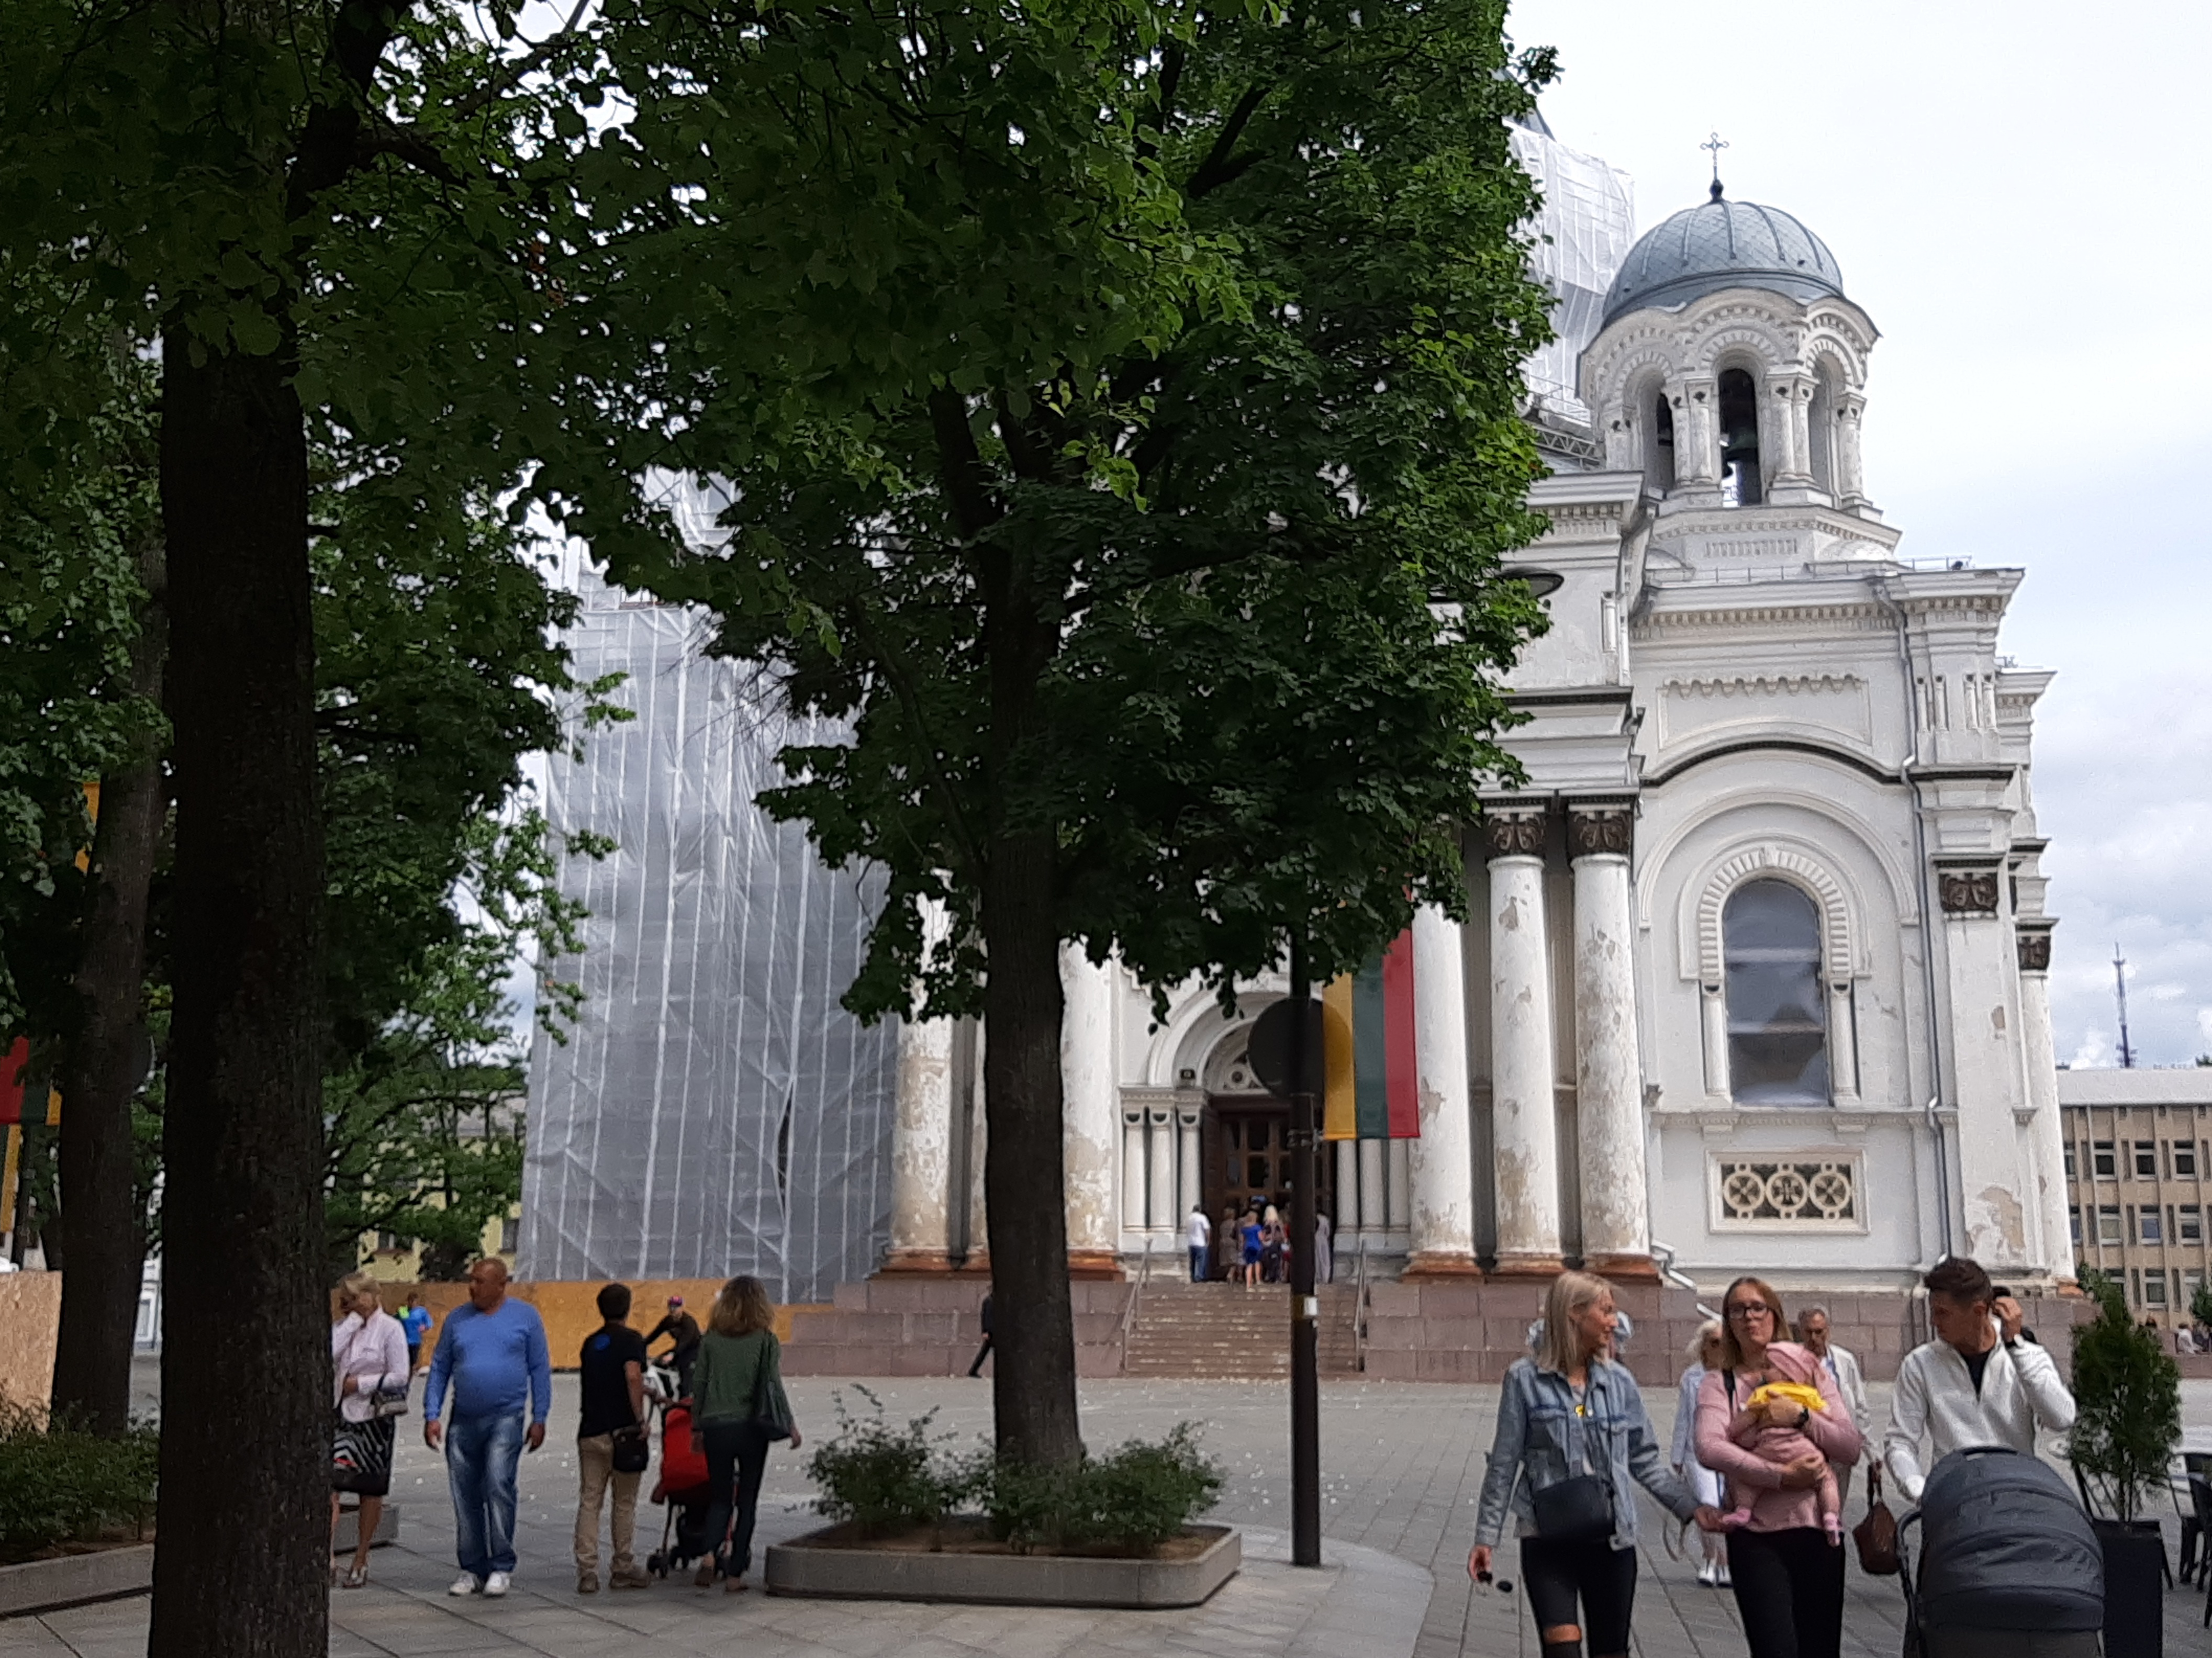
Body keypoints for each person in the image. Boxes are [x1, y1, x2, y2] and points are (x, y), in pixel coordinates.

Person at [1470, 1272, 1723, 1658]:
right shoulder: (1524, 1380)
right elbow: (1504, 1463)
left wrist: (1692, 1508)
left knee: (1611, 1650)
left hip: (1612, 1539)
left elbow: (1644, 1459)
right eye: (1606, 1311)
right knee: (1561, 1649)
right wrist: (1486, 1537)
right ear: (1574, 1314)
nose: (1613, 1322)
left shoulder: (1620, 1383)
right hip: (1548, 1539)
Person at [1695, 1276, 1861, 1658]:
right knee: (1775, 1649)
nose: (1749, 1318)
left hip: (1818, 1533)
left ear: (1775, 1314)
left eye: (1758, 1308)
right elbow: (1709, 1447)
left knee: (1820, 1650)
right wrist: (1778, 1476)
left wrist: (1801, 1417)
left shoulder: (1813, 1374)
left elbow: (1850, 1446)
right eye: (1737, 1310)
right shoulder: (1720, 1384)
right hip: (1758, 1539)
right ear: (1728, 1322)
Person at [1884, 1256, 2076, 1503]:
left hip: (2017, 1497)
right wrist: (1920, 1490)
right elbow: (1900, 1440)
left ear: (1978, 1312)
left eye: (1943, 1314)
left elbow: (2062, 1418)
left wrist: (2017, 1348)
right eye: (1934, 1312)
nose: (1934, 1322)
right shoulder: (1920, 1364)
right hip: (1954, 1501)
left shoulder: (2025, 1356)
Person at [423, 1257, 552, 1597]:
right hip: (463, 1418)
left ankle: (501, 1564)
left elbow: (539, 1368)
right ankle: (472, 1566)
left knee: (498, 1485)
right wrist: (431, 1413)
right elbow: (440, 1367)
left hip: (506, 1416)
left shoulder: (525, 1318)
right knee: (465, 1495)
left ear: (501, 1284)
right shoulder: (457, 1320)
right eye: (472, 1280)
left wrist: (540, 1416)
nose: (473, 1287)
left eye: (481, 1281)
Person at [691, 1275, 802, 1593]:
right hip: (752, 1428)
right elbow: (773, 1387)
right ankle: (736, 1573)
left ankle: (710, 1554)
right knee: (748, 1501)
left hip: (715, 1426)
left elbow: (698, 1384)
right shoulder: (765, 1340)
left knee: (720, 1497)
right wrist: (790, 1425)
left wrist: (696, 1425)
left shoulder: (710, 1339)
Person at [330, 1273, 410, 1589]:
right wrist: (351, 1323)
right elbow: (330, 1353)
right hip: (342, 1416)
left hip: (374, 1417)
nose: (343, 1305)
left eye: (349, 1300)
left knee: (370, 1490)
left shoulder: (390, 1329)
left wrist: (361, 1385)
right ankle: (328, 1556)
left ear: (366, 1297)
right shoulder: (344, 1327)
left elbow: (400, 1375)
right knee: (331, 1486)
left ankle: (361, 1558)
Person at [574, 1282, 652, 1594]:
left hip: (591, 1430)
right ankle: (622, 1567)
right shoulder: (632, 1340)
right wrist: (641, 1418)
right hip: (622, 1433)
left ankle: (587, 1570)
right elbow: (632, 1376)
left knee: (590, 1500)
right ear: (628, 1307)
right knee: (624, 1502)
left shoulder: (591, 1343)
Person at [1671, 1321, 1731, 1588]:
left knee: (1727, 1505)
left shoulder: (1734, 1375)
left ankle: (1725, 1562)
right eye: (1714, 1342)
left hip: (1729, 1450)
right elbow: (1684, 1416)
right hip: (1696, 1451)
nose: (1720, 1348)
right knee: (1707, 1503)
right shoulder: (1691, 1377)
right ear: (1703, 1345)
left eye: (1724, 1342)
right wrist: (1677, 1454)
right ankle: (1710, 1558)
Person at [1791, 1307, 1869, 1437]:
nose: (1814, 1338)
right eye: (1808, 1332)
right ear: (1801, 1332)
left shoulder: (1845, 1360)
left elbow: (1860, 1404)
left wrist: (1869, 1449)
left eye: (1819, 1332)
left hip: (1840, 1436)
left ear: (1827, 1331)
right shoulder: (1791, 1361)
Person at [644, 1294, 703, 1396]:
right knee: (658, 1363)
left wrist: (672, 1354)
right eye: (671, 1307)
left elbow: (685, 1342)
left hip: (694, 1350)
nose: (673, 1310)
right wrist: (641, 1344)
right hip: (679, 1350)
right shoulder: (668, 1321)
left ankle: (685, 1399)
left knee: (685, 1374)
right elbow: (654, 1335)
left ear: (682, 1307)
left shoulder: (688, 1322)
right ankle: (669, 1392)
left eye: (676, 1307)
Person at [400, 1290, 434, 1374]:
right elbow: (398, 1323)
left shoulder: (422, 1311)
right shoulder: (403, 1310)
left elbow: (430, 1323)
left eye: (414, 1301)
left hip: (416, 1340)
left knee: (414, 1359)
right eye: (410, 1301)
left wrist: (425, 1327)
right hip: (404, 1340)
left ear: (417, 1302)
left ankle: (412, 1373)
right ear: (408, 1301)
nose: (412, 1303)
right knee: (406, 1360)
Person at [966, 1292, 993, 1378]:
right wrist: (986, 1331)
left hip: (992, 1331)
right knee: (984, 1352)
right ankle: (973, 1371)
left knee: (984, 1352)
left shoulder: (990, 1300)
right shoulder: (990, 1301)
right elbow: (986, 1317)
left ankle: (973, 1371)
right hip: (992, 1332)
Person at [1186, 1204, 1211, 1283]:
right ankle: (1199, 1277)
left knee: (1193, 1261)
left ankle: (1193, 1276)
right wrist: (1208, 1241)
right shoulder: (1202, 1218)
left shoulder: (1189, 1218)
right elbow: (1207, 1230)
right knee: (1201, 1261)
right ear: (1200, 1210)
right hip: (1200, 1242)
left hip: (1191, 1242)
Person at [1238, 1208, 1263, 1288]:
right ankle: (1258, 1279)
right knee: (1257, 1262)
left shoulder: (1244, 1228)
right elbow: (1261, 1238)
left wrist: (1242, 1248)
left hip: (1247, 1246)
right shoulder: (1257, 1227)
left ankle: (1249, 1282)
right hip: (1256, 1246)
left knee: (1249, 1265)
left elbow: (1242, 1240)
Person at [1260, 1204, 1284, 1284]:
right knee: (1277, 1260)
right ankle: (1277, 1277)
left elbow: (1264, 1234)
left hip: (1269, 1243)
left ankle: (1270, 1276)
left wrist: (1264, 1240)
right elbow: (1282, 1234)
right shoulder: (1279, 1223)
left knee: (1269, 1260)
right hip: (1277, 1243)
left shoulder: (1267, 1224)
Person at [1314, 1209, 1334, 1285]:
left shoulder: (1316, 1218)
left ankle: (1318, 1277)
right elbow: (1328, 1231)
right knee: (1325, 1259)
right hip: (1324, 1239)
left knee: (1318, 1258)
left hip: (1316, 1238)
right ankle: (1325, 1278)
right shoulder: (1325, 1219)